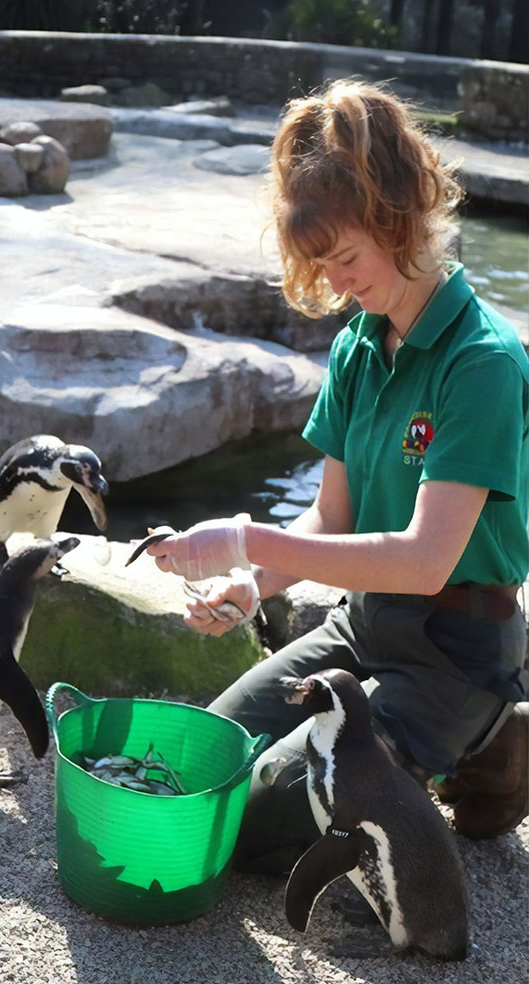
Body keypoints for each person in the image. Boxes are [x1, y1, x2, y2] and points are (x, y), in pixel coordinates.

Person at [147, 78, 529, 873]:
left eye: (347, 257)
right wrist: (254, 585)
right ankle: (451, 749)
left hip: (456, 648)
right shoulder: (360, 345)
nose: (339, 283)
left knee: (249, 824)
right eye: (323, 263)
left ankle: (489, 731)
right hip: (363, 627)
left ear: (403, 215)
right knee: (203, 764)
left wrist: (245, 535)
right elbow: (331, 517)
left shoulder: (482, 363)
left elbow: (427, 559)